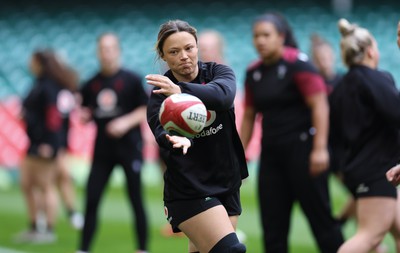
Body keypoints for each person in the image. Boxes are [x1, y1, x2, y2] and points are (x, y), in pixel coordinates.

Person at [240, 13, 344, 253]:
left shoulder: (299, 64)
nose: (260, 41)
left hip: (305, 153)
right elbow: (248, 115)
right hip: (271, 156)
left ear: (281, 37)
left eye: (266, 35)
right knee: (273, 229)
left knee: (323, 224)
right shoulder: (253, 72)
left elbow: (320, 106)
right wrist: (239, 153)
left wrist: (319, 149)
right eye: (256, 36)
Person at [146, 20, 248, 253]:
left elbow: (223, 97)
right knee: (231, 250)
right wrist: (174, 139)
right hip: (189, 189)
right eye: (174, 51)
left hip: (226, 182)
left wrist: (181, 90)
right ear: (163, 56)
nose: (184, 56)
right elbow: (159, 130)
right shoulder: (159, 94)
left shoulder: (218, 72)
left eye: (189, 48)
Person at [330, 18, 400, 253]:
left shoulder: (341, 85)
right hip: (379, 169)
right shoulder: (377, 78)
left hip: (356, 168)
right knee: (369, 237)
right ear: (370, 51)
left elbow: (334, 135)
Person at [76, 33, 149, 253]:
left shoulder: (132, 79)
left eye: (110, 49)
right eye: (103, 49)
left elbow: (145, 108)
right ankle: (84, 249)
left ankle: (142, 248)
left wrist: (125, 122)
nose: (106, 53)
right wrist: (84, 115)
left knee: (136, 199)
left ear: (118, 51)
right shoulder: (91, 83)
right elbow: (84, 109)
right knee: (92, 199)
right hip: (102, 150)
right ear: (98, 52)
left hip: (130, 147)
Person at [16, 49, 78, 243]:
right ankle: (34, 226)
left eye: (32, 60)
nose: (29, 64)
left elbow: (53, 117)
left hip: (45, 143)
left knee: (47, 185)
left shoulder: (50, 86)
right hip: (33, 142)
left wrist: (49, 143)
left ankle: (48, 230)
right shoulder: (39, 83)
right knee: (26, 184)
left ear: (40, 63)